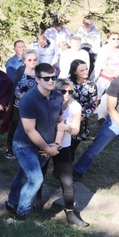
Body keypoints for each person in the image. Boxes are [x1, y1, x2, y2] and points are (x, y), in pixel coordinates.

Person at [73, 56, 119, 190]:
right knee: (95, 149)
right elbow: (111, 108)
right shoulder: (118, 82)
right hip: (115, 121)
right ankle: (78, 171)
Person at [5, 63, 64, 220]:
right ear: (37, 79)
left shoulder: (58, 97)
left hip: (47, 147)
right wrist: (48, 148)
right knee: (36, 179)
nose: (51, 81)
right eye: (47, 78)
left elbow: (60, 123)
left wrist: (56, 144)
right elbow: (30, 130)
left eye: (53, 77)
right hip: (25, 145)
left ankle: (11, 203)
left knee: (23, 175)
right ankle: (22, 213)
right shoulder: (28, 100)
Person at [44, 79, 89, 226]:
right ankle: (36, 203)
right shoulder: (47, 102)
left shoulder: (75, 106)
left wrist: (66, 128)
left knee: (68, 182)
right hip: (45, 144)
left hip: (64, 146)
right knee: (39, 175)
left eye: (70, 91)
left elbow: (76, 130)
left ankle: (70, 212)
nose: (67, 94)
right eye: (63, 91)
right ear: (56, 90)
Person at [4, 49, 38, 159]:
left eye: (34, 59)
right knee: (15, 126)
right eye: (30, 60)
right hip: (19, 105)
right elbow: (14, 87)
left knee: (31, 128)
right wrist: (24, 97)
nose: (32, 62)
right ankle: (10, 148)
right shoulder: (20, 71)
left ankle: (25, 148)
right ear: (24, 61)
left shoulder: (39, 73)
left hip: (34, 107)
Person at [69, 59, 99, 157]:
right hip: (65, 118)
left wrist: (81, 117)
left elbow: (93, 104)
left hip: (80, 121)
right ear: (74, 71)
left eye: (86, 69)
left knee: (71, 148)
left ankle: (66, 170)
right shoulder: (67, 83)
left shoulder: (92, 85)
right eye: (82, 70)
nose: (86, 72)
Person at [93, 31, 119, 97]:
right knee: (98, 97)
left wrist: (118, 73)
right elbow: (101, 64)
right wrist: (113, 74)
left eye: (118, 39)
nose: (116, 40)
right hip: (106, 77)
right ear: (108, 40)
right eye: (113, 39)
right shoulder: (104, 49)